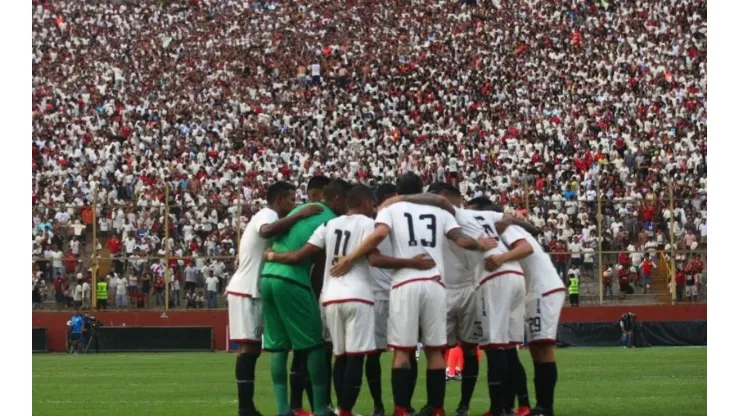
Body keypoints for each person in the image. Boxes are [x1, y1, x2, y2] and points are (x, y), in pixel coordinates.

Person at [330, 173, 495, 416]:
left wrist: (350, 257)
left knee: (402, 351)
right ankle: (436, 407)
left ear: (399, 190)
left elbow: (377, 236)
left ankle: (400, 409)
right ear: (422, 190)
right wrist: (482, 244)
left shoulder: (390, 209)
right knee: (434, 351)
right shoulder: (441, 213)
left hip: (404, 283)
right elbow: (460, 240)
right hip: (435, 284)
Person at [266, 185, 436, 416]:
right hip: (358, 296)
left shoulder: (328, 224)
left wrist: (273, 256)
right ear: (366, 204)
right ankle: (345, 409)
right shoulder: (370, 225)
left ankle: (341, 407)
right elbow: (375, 260)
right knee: (356, 358)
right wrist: (410, 263)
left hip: (330, 298)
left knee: (340, 356)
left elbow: (299, 255)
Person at [225, 181, 324, 416]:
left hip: (260, 289)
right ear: (279, 201)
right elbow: (266, 231)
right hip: (248, 289)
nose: (294, 204)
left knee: (263, 347)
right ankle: (245, 408)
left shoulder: (278, 220)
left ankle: (277, 407)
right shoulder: (266, 213)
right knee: (249, 347)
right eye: (291, 200)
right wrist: (300, 215)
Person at [260, 179, 352, 416]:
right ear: (338, 200)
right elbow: (320, 267)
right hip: (292, 279)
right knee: (314, 345)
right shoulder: (333, 221)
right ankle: (321, 407)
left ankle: (283, 409)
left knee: (279, 347)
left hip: (268, 277)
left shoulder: (302, 208)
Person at [487, 219, 567, 416]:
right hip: (534, 291)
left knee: (543, 348)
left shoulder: (508, 229)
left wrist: (502, 258)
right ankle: (540, 406)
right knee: (537, 350)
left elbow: (527, 248)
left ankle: (544, 407)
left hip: (543, 289)